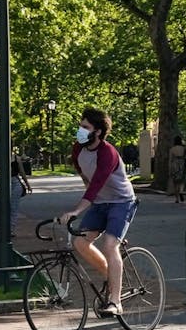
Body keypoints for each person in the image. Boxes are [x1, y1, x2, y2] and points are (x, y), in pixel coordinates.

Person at [59, 107, 138, 317]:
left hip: (122, 202)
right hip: (100, 203)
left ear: (99, 132)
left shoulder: (107, 153)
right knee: (80, 242)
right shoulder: (78, 150)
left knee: (110, 244)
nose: (80, 130)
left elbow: (95, 186)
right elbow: (86, 179)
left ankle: (115, 301)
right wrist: (87, 202)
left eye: (85, 127)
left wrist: (77, 210)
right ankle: (110, 276)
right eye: (80, 126)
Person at [9, 148, 32, 237]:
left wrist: (27, 185)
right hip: (5, 184)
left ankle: (11, 229)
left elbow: (22, 172)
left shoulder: (16, 158)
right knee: (5, 207)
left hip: (15, 183)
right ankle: (6, 228)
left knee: (14, 207)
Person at [168, 135, 186, 203]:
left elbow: (170, 160)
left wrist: (169, 168)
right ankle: (181, 191)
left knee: (175, 182)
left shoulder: (172, 149)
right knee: (182, 180)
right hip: (182, 163)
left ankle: (177, 199)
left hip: (174, 164)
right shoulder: (183, 148)